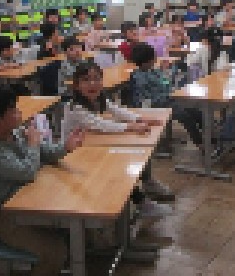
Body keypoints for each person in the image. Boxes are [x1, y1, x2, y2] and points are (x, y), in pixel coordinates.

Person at [0, 83, 85, 276]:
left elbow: (44, 151)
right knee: (54, 251)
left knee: (74, 221)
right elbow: (28, 171)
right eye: (12, 110)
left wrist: (65, 147)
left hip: (30, 204)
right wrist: (33, 144)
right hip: (6, 218)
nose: (18, 112)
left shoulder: (15, 133)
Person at [65, 61, 174, 211]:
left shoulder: (99, 99)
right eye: (86, 80)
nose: (92, 84)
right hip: (74, 153)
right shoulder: (74, 107)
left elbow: (117, 110)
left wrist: (140, 119)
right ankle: (141, 203)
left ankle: (147, 183)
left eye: (96, 79)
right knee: (118, 163)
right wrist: (130, 126)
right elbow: (99, 124)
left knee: (138, 149)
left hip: (92, 144)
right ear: (76, 85)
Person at [130, 43, 204, 150]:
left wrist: (166, 72)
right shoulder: (139, 78)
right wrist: (168, 96)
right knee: (184, 116)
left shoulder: (153, 71)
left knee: (196, 111)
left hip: (167, 101)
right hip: (155, 105)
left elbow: (165, 83)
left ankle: (209, 137)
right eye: (154, 57)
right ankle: (200, 143)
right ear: (147, 61)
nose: (156, 58)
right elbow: (147, 101)